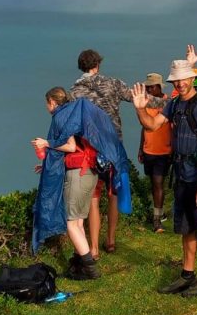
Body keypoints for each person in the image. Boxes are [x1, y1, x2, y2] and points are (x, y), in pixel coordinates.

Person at [132, 60, 197, 297]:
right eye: (176, 80)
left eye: (184, 79)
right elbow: (151, 126)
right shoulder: (173, 105)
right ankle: (187, 274)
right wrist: (140, 108)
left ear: (192, 79)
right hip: (181, 174)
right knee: (187, 227)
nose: (180, 83)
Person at [31, 88, 129, 281]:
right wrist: (47, 167)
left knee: (70, 223)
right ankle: (80, 265)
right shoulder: (76, 114)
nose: (46, 107)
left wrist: (46, 143)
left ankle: (90, 267)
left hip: (78, 174)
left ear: (51, 101)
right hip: (89, 173)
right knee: (78, 222)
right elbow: (77, 148)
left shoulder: (62, 117)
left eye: (46, 103)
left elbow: (70, 146)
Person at [70, 49, 132, 256]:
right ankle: (111, 240)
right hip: (114, 147)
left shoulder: (75, 92)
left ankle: (94, 248)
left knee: (94, 199)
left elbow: (71, 123)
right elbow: (137, 96)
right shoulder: (113, 83)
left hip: (91, 150)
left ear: (81, 66)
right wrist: (166, 102)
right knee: (113, 194)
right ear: (97, 65)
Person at [137, 72, 172, 233]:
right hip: (148, 150)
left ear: (159, 87)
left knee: (158, 184)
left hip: (163, 151)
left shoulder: (168, 103)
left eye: (152, 86)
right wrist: (140, 148)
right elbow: (144, 127)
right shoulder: (146, 102)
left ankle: (157, 221)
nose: (150, 89)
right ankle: (160, 211)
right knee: (153, 184)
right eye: (148, 86)